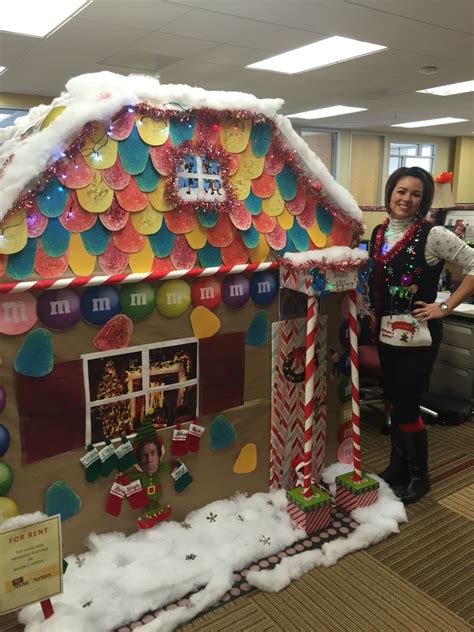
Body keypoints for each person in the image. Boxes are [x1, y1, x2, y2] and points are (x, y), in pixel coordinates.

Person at [368, 166, 474, 504]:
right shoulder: (379, 232)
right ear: (390, 193)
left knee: (408, 407)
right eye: (401, 191)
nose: (407, 199)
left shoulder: (434, 234)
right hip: (386, 334)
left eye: (415, 194)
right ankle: (397, 467)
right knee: (396, 401)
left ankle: (420, 475)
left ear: (424, 199)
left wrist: (445, 307)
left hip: (420, 336)